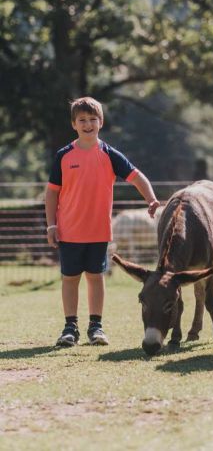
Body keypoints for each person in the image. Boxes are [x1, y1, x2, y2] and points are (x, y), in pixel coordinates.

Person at [45, 97, 160, 348]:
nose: (88, 124)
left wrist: (151, 199)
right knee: (70, 279)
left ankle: (96, 327)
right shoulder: (64, 156)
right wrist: (51, 225)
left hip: (98, 232)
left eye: (92, 119)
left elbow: (137, 176)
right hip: (69, 231)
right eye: (82, 120)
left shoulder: (109, 154)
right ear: (74, 124)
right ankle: (70, 328)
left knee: (96, 277)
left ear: (101, 122)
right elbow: (52, 192)